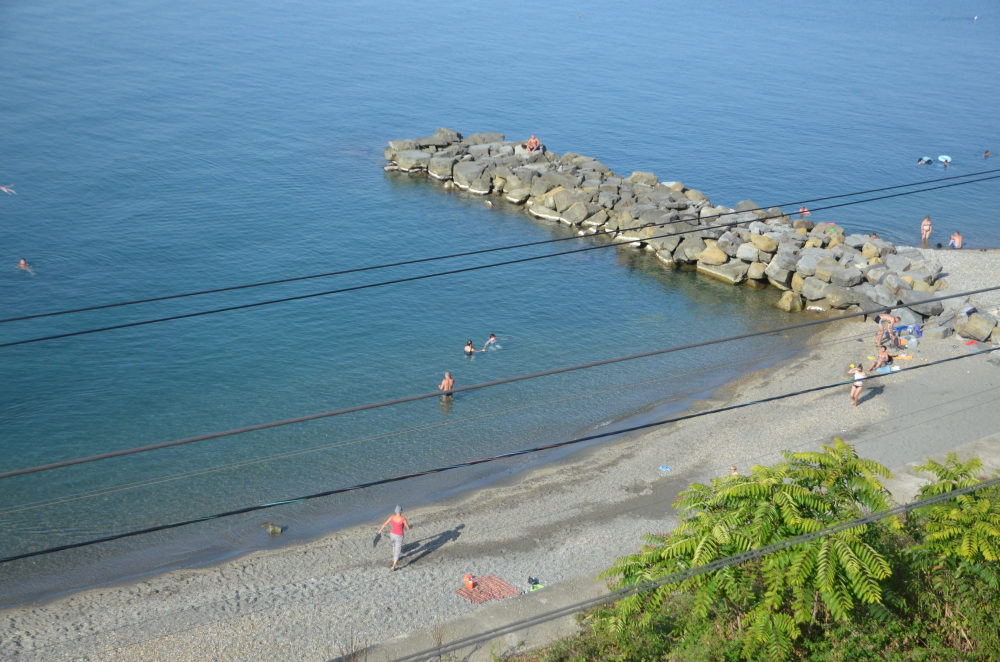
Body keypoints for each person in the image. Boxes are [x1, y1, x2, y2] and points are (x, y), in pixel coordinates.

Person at [377, 506, 411, 571]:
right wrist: (411, 527)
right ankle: (393, 566)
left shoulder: (392, 517)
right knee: (398, 550)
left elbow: (385, 524)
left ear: (395, 511)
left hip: (392, 534)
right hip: (399, 535)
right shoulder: (403, 519)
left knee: (394, 544)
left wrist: (380, 530)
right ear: (401, 511)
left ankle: (393, 556)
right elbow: (408, 528)